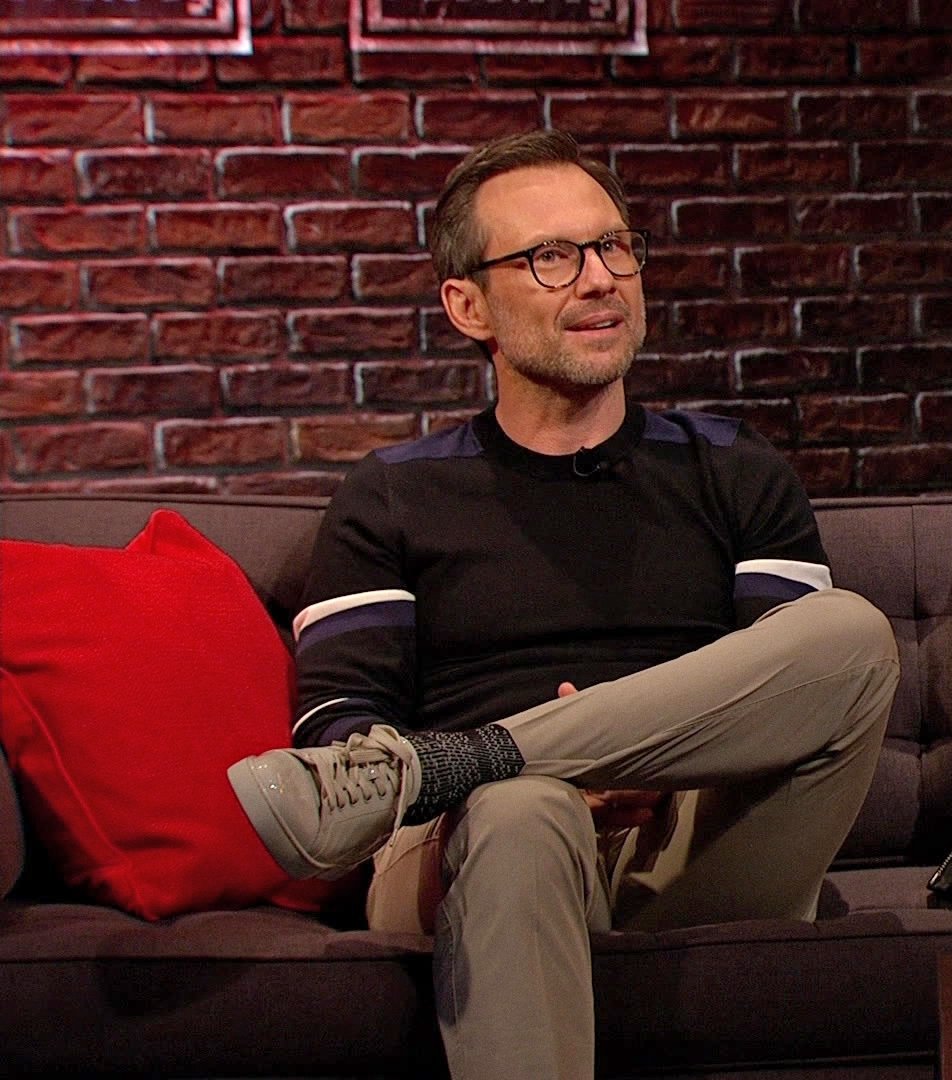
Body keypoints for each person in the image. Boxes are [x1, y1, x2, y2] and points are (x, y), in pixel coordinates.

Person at [225, 130, 898, 1079]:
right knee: (521, 810)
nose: (599, 279)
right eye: (551, 256)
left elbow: (791, 696)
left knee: (850, 634)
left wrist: (638, 762)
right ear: (468, 306)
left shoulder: (737, 471)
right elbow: (340, 735)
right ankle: (478, 773)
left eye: (613, 246)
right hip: (461, 839)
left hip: (688, 840)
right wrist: (524, 781)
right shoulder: (391, 495)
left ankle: (466, 759)